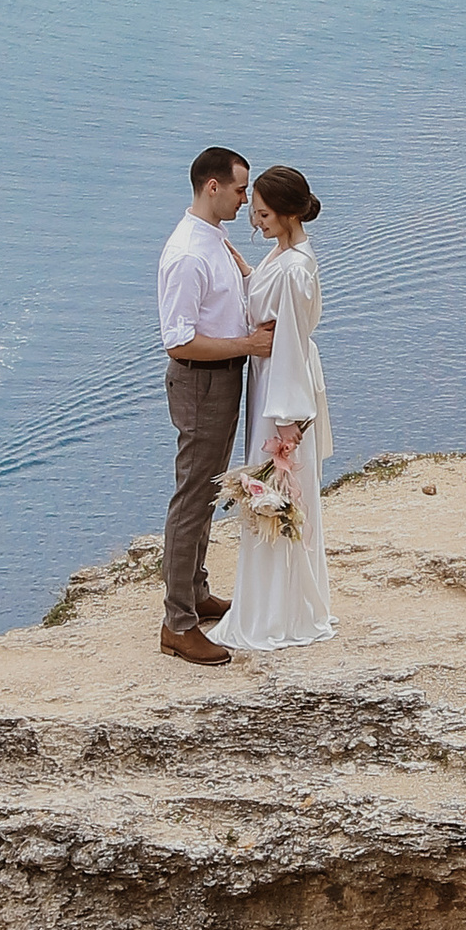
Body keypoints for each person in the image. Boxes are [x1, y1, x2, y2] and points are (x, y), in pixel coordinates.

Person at [154, 146, 274, 667]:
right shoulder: (188, 254)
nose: (246, 199)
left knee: (206, 492)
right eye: (240, 189)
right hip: (200, 381)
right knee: (193, 497)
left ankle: (196, 593)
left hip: (222, 378)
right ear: (213, 186)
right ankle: (177, 624)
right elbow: (178, 340)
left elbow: (229, 303)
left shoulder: (215, 239)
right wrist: (248, 345)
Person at [216, 167, 335, 653]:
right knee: (277, 498)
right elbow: (270, 304)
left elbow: (287, 341)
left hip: (280, 391)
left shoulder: (292, 268)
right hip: (274, 380)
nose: (256, 221)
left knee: (279, 493)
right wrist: (248, 272)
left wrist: (286, 424)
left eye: (263, 214)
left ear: (287, 214)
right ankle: (278, 607)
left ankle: (276, 614)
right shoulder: (284, 256)